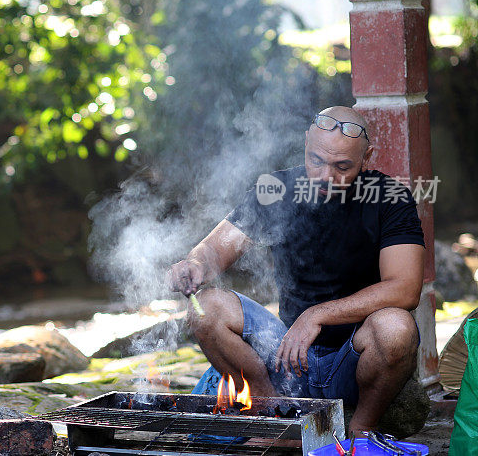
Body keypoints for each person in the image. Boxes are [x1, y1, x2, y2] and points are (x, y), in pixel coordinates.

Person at [168, 105, 425, 436]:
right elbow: (215, 248)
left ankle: (361, 428)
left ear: (367, 158)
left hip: (353, 360)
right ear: (306, 142)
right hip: (285, 356)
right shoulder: (276, 189)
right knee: (207, 308)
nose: (325, 176)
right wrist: (195, 264)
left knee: (396, 327)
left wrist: (316, 315)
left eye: (342, 166)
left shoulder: (390, 198)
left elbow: (405, 288)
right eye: (316, 160)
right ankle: (272, 411)